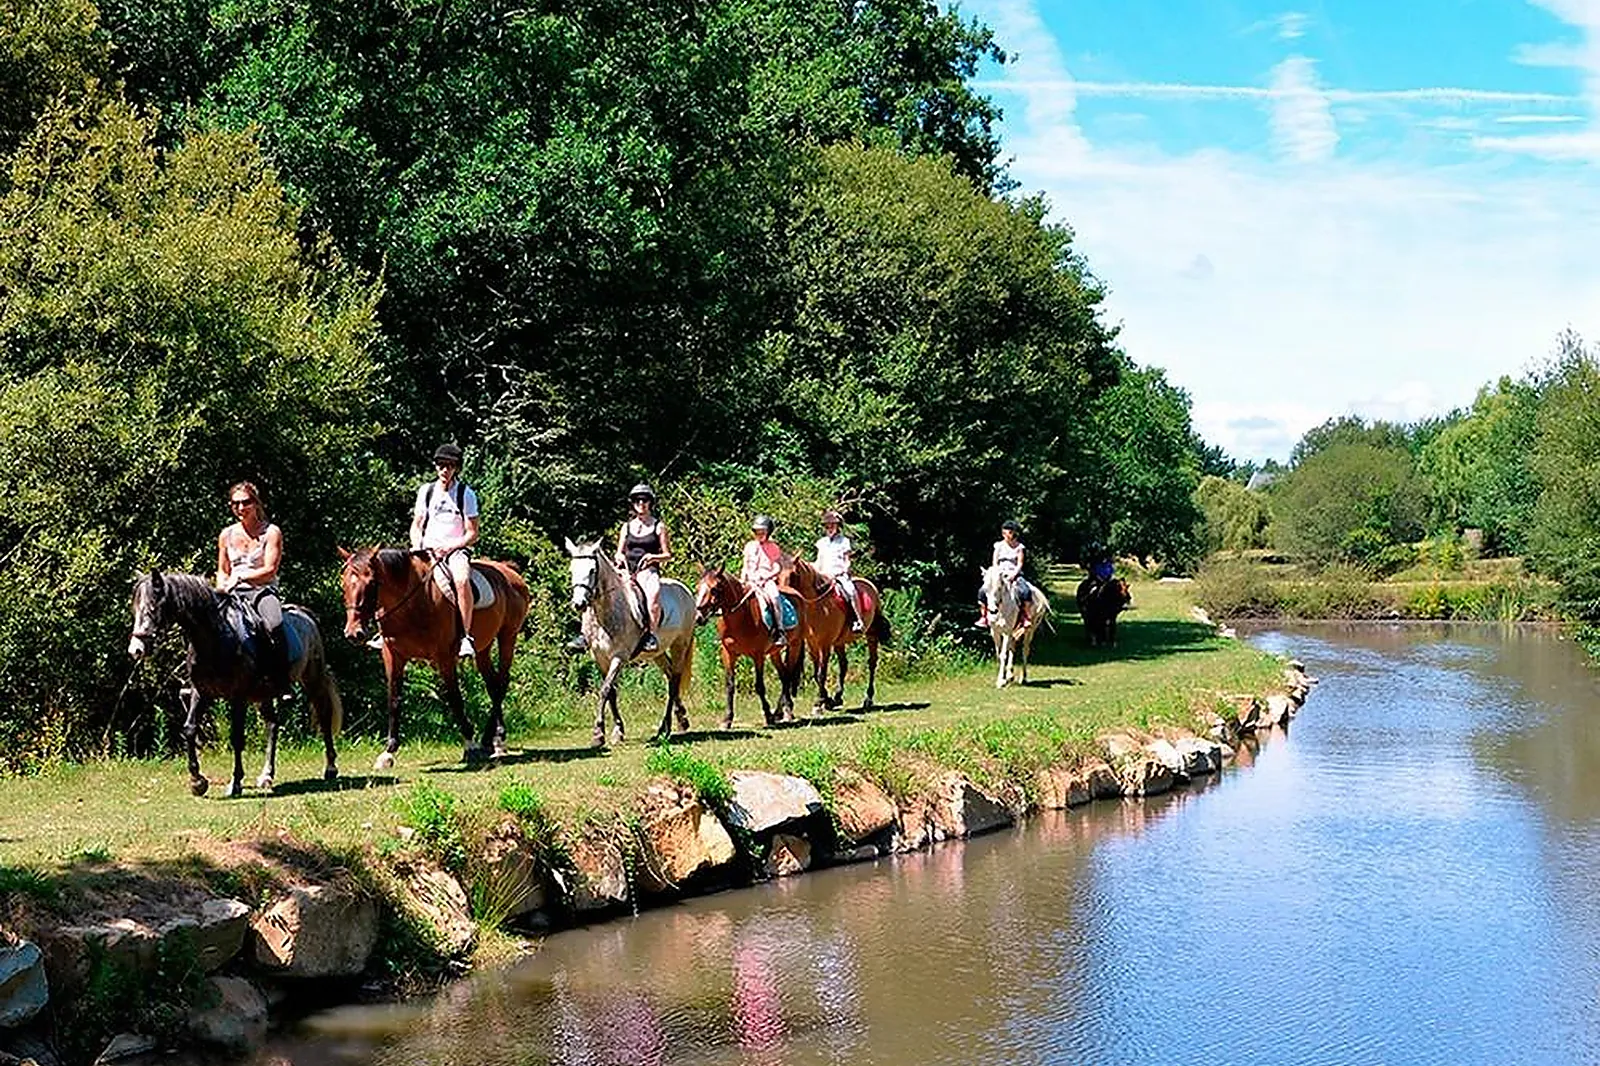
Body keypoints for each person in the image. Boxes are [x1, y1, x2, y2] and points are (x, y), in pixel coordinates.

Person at [215, 481, 290, 696]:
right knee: (202, 623)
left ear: (256, 503)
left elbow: (270, 570)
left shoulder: (271, 532)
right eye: (235, 504)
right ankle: (199, 679)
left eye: (246, 502)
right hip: (232, 592)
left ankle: (281, 679)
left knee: (274, 623)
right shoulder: (226, 534)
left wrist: (241, 577)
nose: (240, 508)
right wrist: (221, 588)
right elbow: (222, 570)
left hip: (261, 590)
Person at [410, 442, 480, 658]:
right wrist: (418, 545)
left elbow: (472, 533)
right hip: (426, 549)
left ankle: (466, 636)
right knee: (397, 576)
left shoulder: (466, 494)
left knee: (461, 580)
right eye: (441, 465)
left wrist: (450, 547)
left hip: (455, 550)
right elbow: (417, 524)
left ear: (456, 468)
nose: (444, 470)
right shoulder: (426, 491)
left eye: (449, 466)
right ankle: (387, 631)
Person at [616, 483, 671, 654]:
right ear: (633, 504)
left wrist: (653, 557)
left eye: (645, 500)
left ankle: (651, 635)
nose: (641, 503)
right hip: (626, 570)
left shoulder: (659, 526)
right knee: (599, 588)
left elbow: (668, 555)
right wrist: (619, 556)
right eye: (637, 500)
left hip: (647, 570)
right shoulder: (626, 527)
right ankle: (587, 633)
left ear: (650, 503)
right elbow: (619, 552)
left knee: (653, 596)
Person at [975, 519, 1034, 632]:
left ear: (1014, 533)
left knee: (1025, 591)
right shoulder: (998, 546)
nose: (1006, 535)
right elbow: (995, 562)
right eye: (1005, 533)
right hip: (999, 574)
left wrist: (1013, 574)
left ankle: (1025, 616)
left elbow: (1020, 563)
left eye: (1009, 532)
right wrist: (996, 573)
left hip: (1014, 574)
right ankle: (984, 617)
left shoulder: (1019, 547)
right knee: (982, 591)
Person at [741, 515, 790, 647]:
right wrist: (742, 579)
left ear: (768, 532)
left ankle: (780, 630)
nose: (760, 534)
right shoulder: (749, 546)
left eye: (762, 531)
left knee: (774, 598)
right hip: (751, 580)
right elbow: (745, 565)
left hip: (766, 580)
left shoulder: (773, 547)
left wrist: (766, 577)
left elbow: (777, 567)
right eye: (757, 531)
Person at [815, 510, 863, 633]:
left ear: (837, 526)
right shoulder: (821, 542)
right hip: (823, 575)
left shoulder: (844, 541)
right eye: (827, 526)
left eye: (832, 525)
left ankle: (857, 620)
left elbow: (847, 561)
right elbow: (818, 561)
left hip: (838, 575)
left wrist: (842, 571)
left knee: (850, 591)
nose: (829, 528)